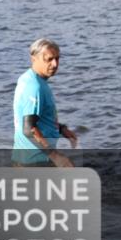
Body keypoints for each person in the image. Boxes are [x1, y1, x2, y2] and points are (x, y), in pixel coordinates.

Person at [12, 38, 77, 166]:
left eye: (57, 59)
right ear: (34, 59)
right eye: (49, 59)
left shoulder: (29, 78)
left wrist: (61, 129)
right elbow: (29, 128)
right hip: (35, 162)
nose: (55, 64)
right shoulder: (34, 87)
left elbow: (38, 118)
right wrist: (55, 156)